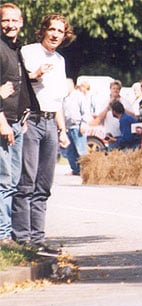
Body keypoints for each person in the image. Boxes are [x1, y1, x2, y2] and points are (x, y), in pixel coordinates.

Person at [13, 13, 73, 253]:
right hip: (31, 120)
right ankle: (22, 237)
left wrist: (62, 130)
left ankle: (38, 238)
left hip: (50, 122)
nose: (56, 34)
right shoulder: (28, 51)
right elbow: (17, 83)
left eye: (60, 31)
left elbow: (57, 100)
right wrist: (34, 75)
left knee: (44, 184)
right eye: (52, 29)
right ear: (44, 30)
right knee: (26, 181)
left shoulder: (59, 60)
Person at [0, 2, 38, 246]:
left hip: (16, 122)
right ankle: (3, 236)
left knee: (13, 181)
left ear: (21, 23)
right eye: (5, 20)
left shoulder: (16, 49)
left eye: (14, 20)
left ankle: (10, 234)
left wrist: (24, 114)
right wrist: (1, 120)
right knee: (4, 181)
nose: (10, 25)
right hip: (3, 123)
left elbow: (19, 85)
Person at [63, 78, 91, 175]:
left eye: (66, 85)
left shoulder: (79, 96)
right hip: (67, 127)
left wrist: (84, 124)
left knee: (81, 150)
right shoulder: (64, 97)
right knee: (70, 151)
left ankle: (87, 170)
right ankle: (75, 170)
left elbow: (86, 111)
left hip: (78, 126)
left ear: (72, 85)